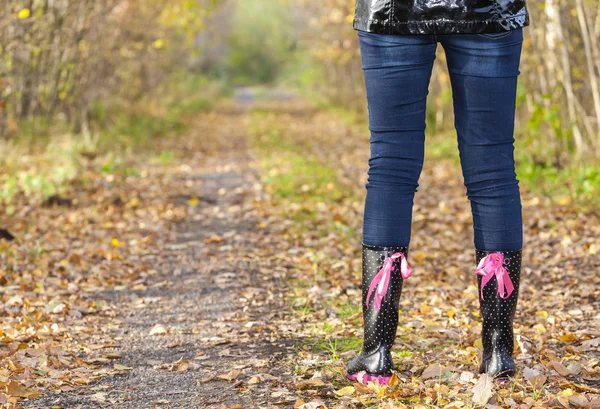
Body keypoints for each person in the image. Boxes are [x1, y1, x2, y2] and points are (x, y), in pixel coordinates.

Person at [346, 0, 529, 385]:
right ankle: (498, 353)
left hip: (393, 10)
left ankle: (377, 353)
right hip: (489, 10)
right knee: (493, 168)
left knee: (391, 165)